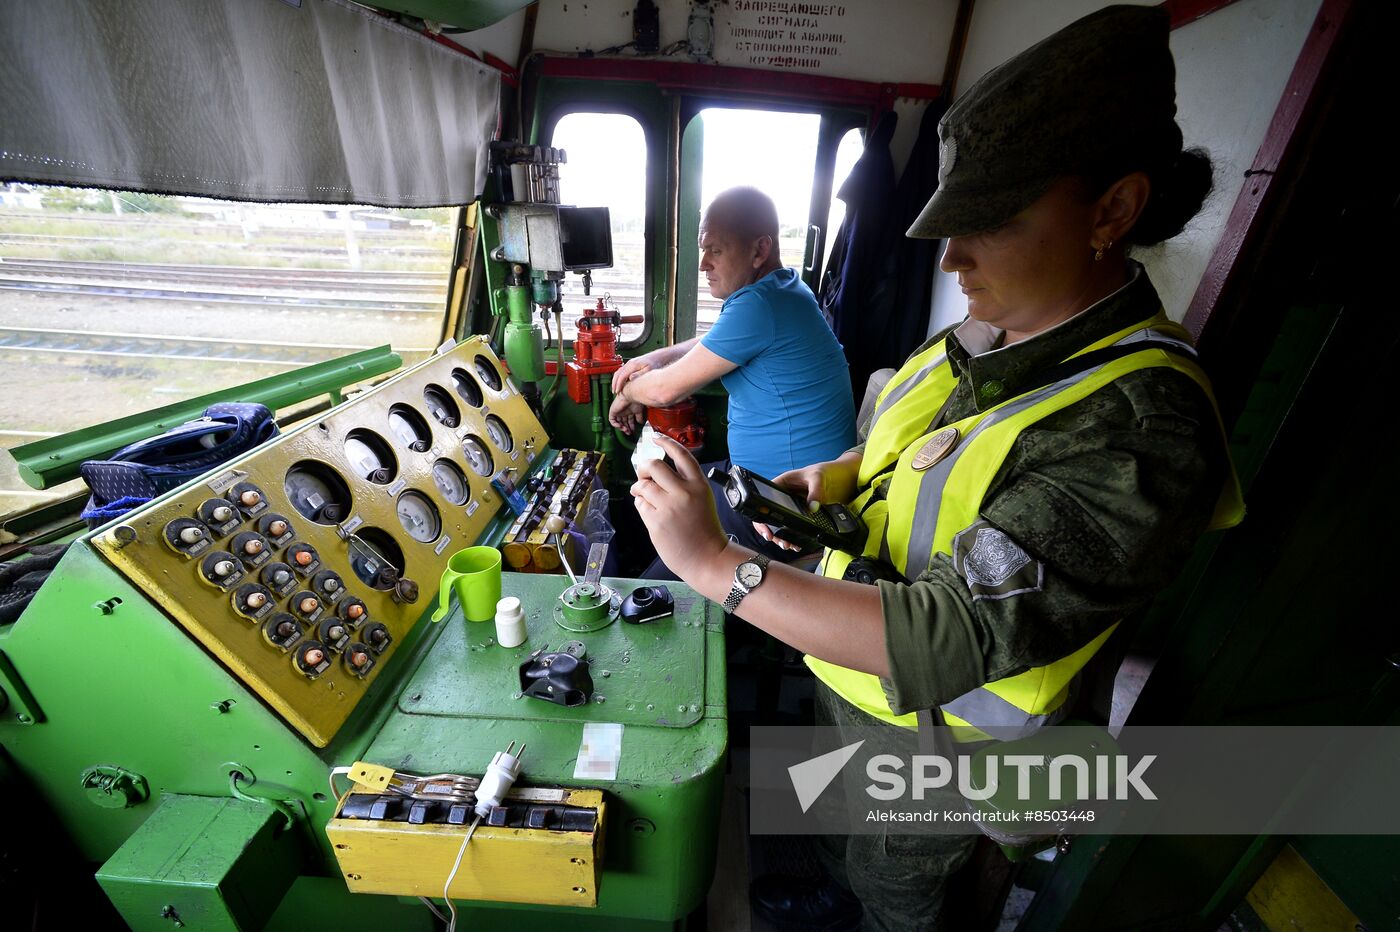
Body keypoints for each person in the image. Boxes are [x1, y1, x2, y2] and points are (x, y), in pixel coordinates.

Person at [629, 6, 1245, 930]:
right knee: (845, 823)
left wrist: (717, 565)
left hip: (948, 745)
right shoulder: (983, 333)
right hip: (858, 675)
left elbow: (947, 634)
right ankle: (835, 887)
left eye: (988, 223)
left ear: (1112, 211)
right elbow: (895, 448)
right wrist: (830, 480)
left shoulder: (1141, 428)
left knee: (901, 888)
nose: (951, 257)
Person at [609, 186, 856, 575]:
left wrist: (626, 390)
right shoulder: (782, 287)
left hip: (785, 511)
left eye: (715, 250)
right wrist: (652, 357)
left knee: (654, 583)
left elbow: (663, 390)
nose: (703, 263)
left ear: (759, 250)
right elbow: (710, 342)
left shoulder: (759, 304)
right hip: (757, 480)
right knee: (647, 504)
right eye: (702, 250)